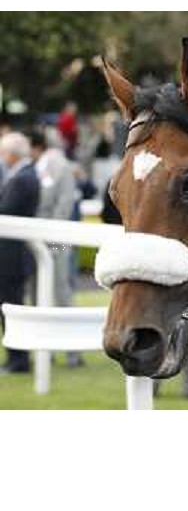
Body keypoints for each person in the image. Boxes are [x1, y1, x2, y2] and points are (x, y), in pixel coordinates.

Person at [29, 130, 83, 367]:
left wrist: (48, 239)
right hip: (49, 236)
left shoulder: (55, 164)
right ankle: (50, 349)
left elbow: (63, 205)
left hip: (56, 238)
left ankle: (71, 351)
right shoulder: (46, 164)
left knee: (60, 291)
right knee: (44, 292)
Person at [0, 132, 40, 374]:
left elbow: (6, 211)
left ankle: (19, 360)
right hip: (11, 256)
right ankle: (14, 358)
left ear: (12, 154)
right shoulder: (23, 176)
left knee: (11, 309)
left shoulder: (23, 178)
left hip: (11, 257)